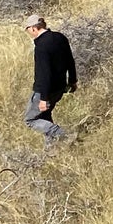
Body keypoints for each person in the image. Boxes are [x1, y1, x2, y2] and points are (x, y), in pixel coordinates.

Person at [24, 14, 76, 142]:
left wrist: (43, 98)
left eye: (28, 30)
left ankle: (63, 135)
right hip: (60, 87)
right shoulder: (60, 37)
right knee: (45, 116)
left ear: (33, 28)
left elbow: (44, 74)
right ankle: (51, 150)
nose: (29, 33)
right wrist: (72, 80)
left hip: (45, 91)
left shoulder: (41, 46)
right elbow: (70, 60)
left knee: (31, 120)